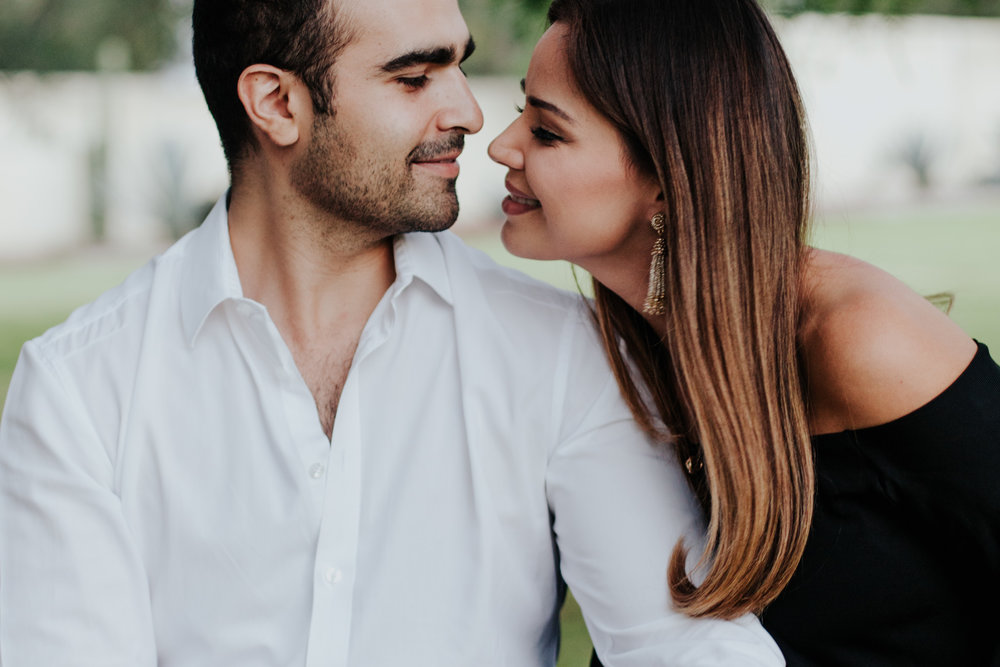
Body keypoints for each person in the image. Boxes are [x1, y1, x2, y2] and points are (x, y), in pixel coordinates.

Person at [0, 0, 788, 665]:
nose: (470, 114)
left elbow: (683, 645)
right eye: (414, 77)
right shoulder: (79, 389)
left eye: (456, 65)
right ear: (276, 103)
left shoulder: (558, 352)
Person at [488, 0, 1000, 664]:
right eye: (520, 110)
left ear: (669, 181)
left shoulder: (858, 337)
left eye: (547, 132)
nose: (502, 144)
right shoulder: (610, 357)